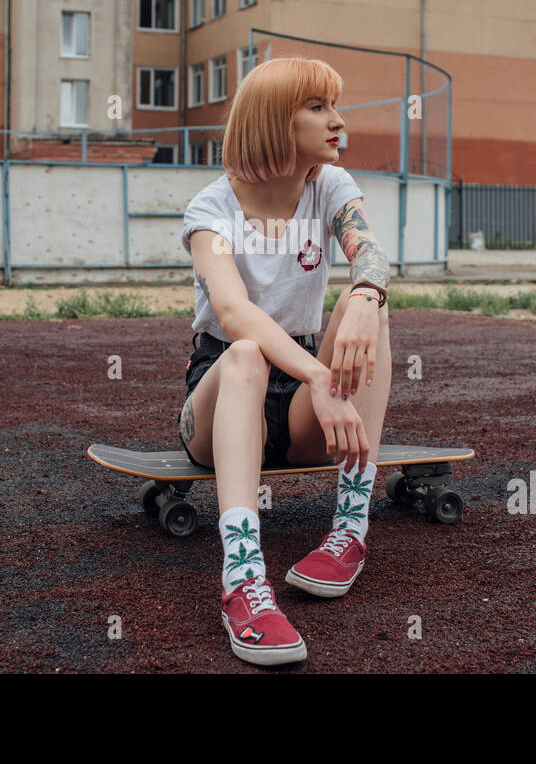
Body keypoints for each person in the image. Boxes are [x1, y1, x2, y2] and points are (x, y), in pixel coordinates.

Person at [178, 56, 392, 666]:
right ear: (275, 118)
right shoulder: (210, 210)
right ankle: (243, 581)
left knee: (371, 309)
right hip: (221, 389)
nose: (338, 122)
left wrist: (364, 295)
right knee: (246, 352)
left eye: (334, 106)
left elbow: (370, 253)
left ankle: (349, 531)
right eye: (318, 107)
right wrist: (321, 377)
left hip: (300, 399)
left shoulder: (330, 185)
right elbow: (234, 310)